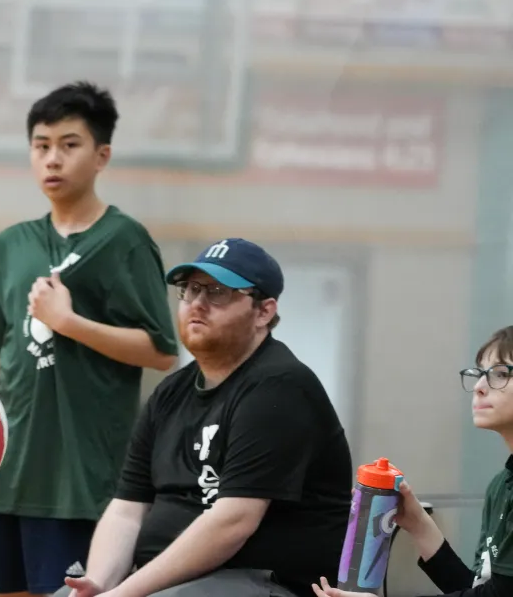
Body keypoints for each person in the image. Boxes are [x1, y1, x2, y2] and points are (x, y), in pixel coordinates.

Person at [0, 80, 180, 597]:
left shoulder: (124, 240)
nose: (52, 158)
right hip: (6, 477)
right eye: (41, 145)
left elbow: (161, 352)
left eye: (69, 144)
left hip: (80, 485)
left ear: (102, 155)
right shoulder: (12, 243)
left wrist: (70, 322)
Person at [55, 238, 352, 597]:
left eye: (218, 292)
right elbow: (127, 510)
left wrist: (124, 594)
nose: (197, 303)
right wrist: (100, 584)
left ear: (263, 312)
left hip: (264, 582)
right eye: (191, 289)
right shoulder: (169, 394)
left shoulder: (280, 387)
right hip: (174, 583)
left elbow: (233, 521)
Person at [312, 327, 513, 597]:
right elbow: (477, 590)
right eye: (479, 374)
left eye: (500, 374)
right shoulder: (501, 485)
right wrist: (418, 523)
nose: (478, 387)